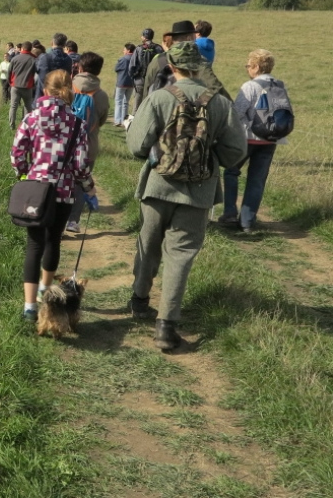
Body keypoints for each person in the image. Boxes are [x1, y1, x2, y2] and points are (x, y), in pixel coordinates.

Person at [126, 42, 247, 350]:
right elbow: (236, 152)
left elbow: (136, 145)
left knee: (148, 244)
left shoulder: (159, 97)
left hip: (157, 186)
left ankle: (140, 300)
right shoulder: (219, 103)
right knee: (180, 255)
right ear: (198, 66)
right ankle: (166, 326)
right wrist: (208, 151)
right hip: (199, 192)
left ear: (172, 66)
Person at [11, 70, 92, 322]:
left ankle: (29, 307)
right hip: (63, 192)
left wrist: (25, 173)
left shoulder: (31, 118)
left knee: (34, 245)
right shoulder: (77, 123)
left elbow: (16, 154)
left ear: (45, 90)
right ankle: (47, 295)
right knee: (53, 241)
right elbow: (80, 166)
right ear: (69, 90)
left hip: (35, 191)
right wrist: (88, 186)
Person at [219, 49, 287, 233]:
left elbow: (238, 112)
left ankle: (230, 214)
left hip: (247, 138)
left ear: (256, 67)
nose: (247, 68)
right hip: (270, 139)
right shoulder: (280, 85)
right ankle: (248, 222)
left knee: (231, 172)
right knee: (257, 180)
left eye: (248, 65)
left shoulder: (250, 86)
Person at [65, 52, 108, 234]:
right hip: (88, 145)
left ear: (79, 68)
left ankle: (59, 218)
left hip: (64, 143)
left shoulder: (67, 86)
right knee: (81, 182)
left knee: (62, 180)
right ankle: (73, 221)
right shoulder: (102, 95)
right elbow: (103, 119)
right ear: (98, 71)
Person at [145, 21, 230, 100]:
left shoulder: (157, 61)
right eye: (194, 37)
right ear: (189, 38)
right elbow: (216, 88)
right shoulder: (198, 61)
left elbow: (147, 88)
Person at [129, 28, 164, 115]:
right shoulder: (159, 48)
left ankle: (134, 123)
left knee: (137, 104)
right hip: (154, 81)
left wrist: (133, 76)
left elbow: (132, 65)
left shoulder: (138, 49)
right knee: (152, 103)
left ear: (144, 37)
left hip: (139, 80)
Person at [34, 33, 73, 101]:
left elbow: (36, 71)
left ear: (52, 42)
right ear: (64, 45)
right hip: (61, 98)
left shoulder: (44, 58)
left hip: (43, 97)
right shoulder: (68, 60)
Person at [8, 41, 37, 129]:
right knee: (28, 106)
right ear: (31, 49)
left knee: (13, 106)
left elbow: (9, 72)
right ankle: (26, 125)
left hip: (15, 85)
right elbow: (36, 73)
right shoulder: (33, 59)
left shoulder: (15, 59)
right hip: (27, 86)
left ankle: (11, 125)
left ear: (22, 48)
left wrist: (10, 83)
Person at [114, 43, 135, 126]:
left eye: (124, 49)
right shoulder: (135, 59)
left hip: (121, 83)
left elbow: (116, 68)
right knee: (126, 102)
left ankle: (117, 120)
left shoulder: (123, 59)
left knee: (118, 101)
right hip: (131, 83)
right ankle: (124, 120)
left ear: (128, 50)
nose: (123, 51)